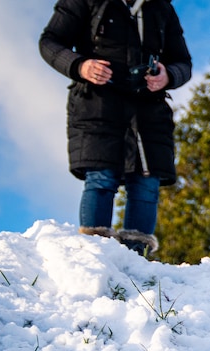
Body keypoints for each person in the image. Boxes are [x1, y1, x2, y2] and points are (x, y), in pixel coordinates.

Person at [39, 0, 192, 256]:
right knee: (101, 178)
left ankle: (135, 263)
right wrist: (80, 65)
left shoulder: (161, 7)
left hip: (149, 111)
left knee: (146, 183)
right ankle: (94, 256)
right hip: (97, 106)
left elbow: (183, 62)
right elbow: (50, 41)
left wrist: (168, 75)